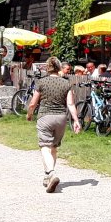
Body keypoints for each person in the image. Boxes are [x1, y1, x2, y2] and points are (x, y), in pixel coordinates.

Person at [25, 57, 82, 193]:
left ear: (47, 68)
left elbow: (33, 103)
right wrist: (76, 120)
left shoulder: (41, 82)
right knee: (54, 148)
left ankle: (51, 172)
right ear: (59, 68)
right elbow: (70, 104)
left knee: (44, 146)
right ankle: (47, 176)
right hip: (61, 118)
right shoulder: (66, 84)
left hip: (45, 117)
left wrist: (29, 114)